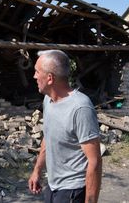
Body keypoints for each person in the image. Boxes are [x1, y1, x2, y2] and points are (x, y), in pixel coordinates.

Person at [28, 50, 102, 203]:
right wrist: (37, 170)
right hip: (53, 185)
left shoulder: (80, 108)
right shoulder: (48, 101)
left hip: (73, 191)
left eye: (37, 71)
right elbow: (48, 138)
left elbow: (94, 161)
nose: (34, 76)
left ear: (50, 78)